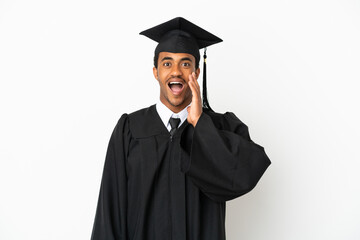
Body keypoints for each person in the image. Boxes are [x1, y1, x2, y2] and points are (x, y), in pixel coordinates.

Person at [91, 17, 271, 240]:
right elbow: (109, 212)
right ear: (156, 72)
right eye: (167, 63)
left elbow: (245, 175)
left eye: (185, 64)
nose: (176, 71)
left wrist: (200, 124)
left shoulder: (220, 127)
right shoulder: (129, 129)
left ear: (196, 73)